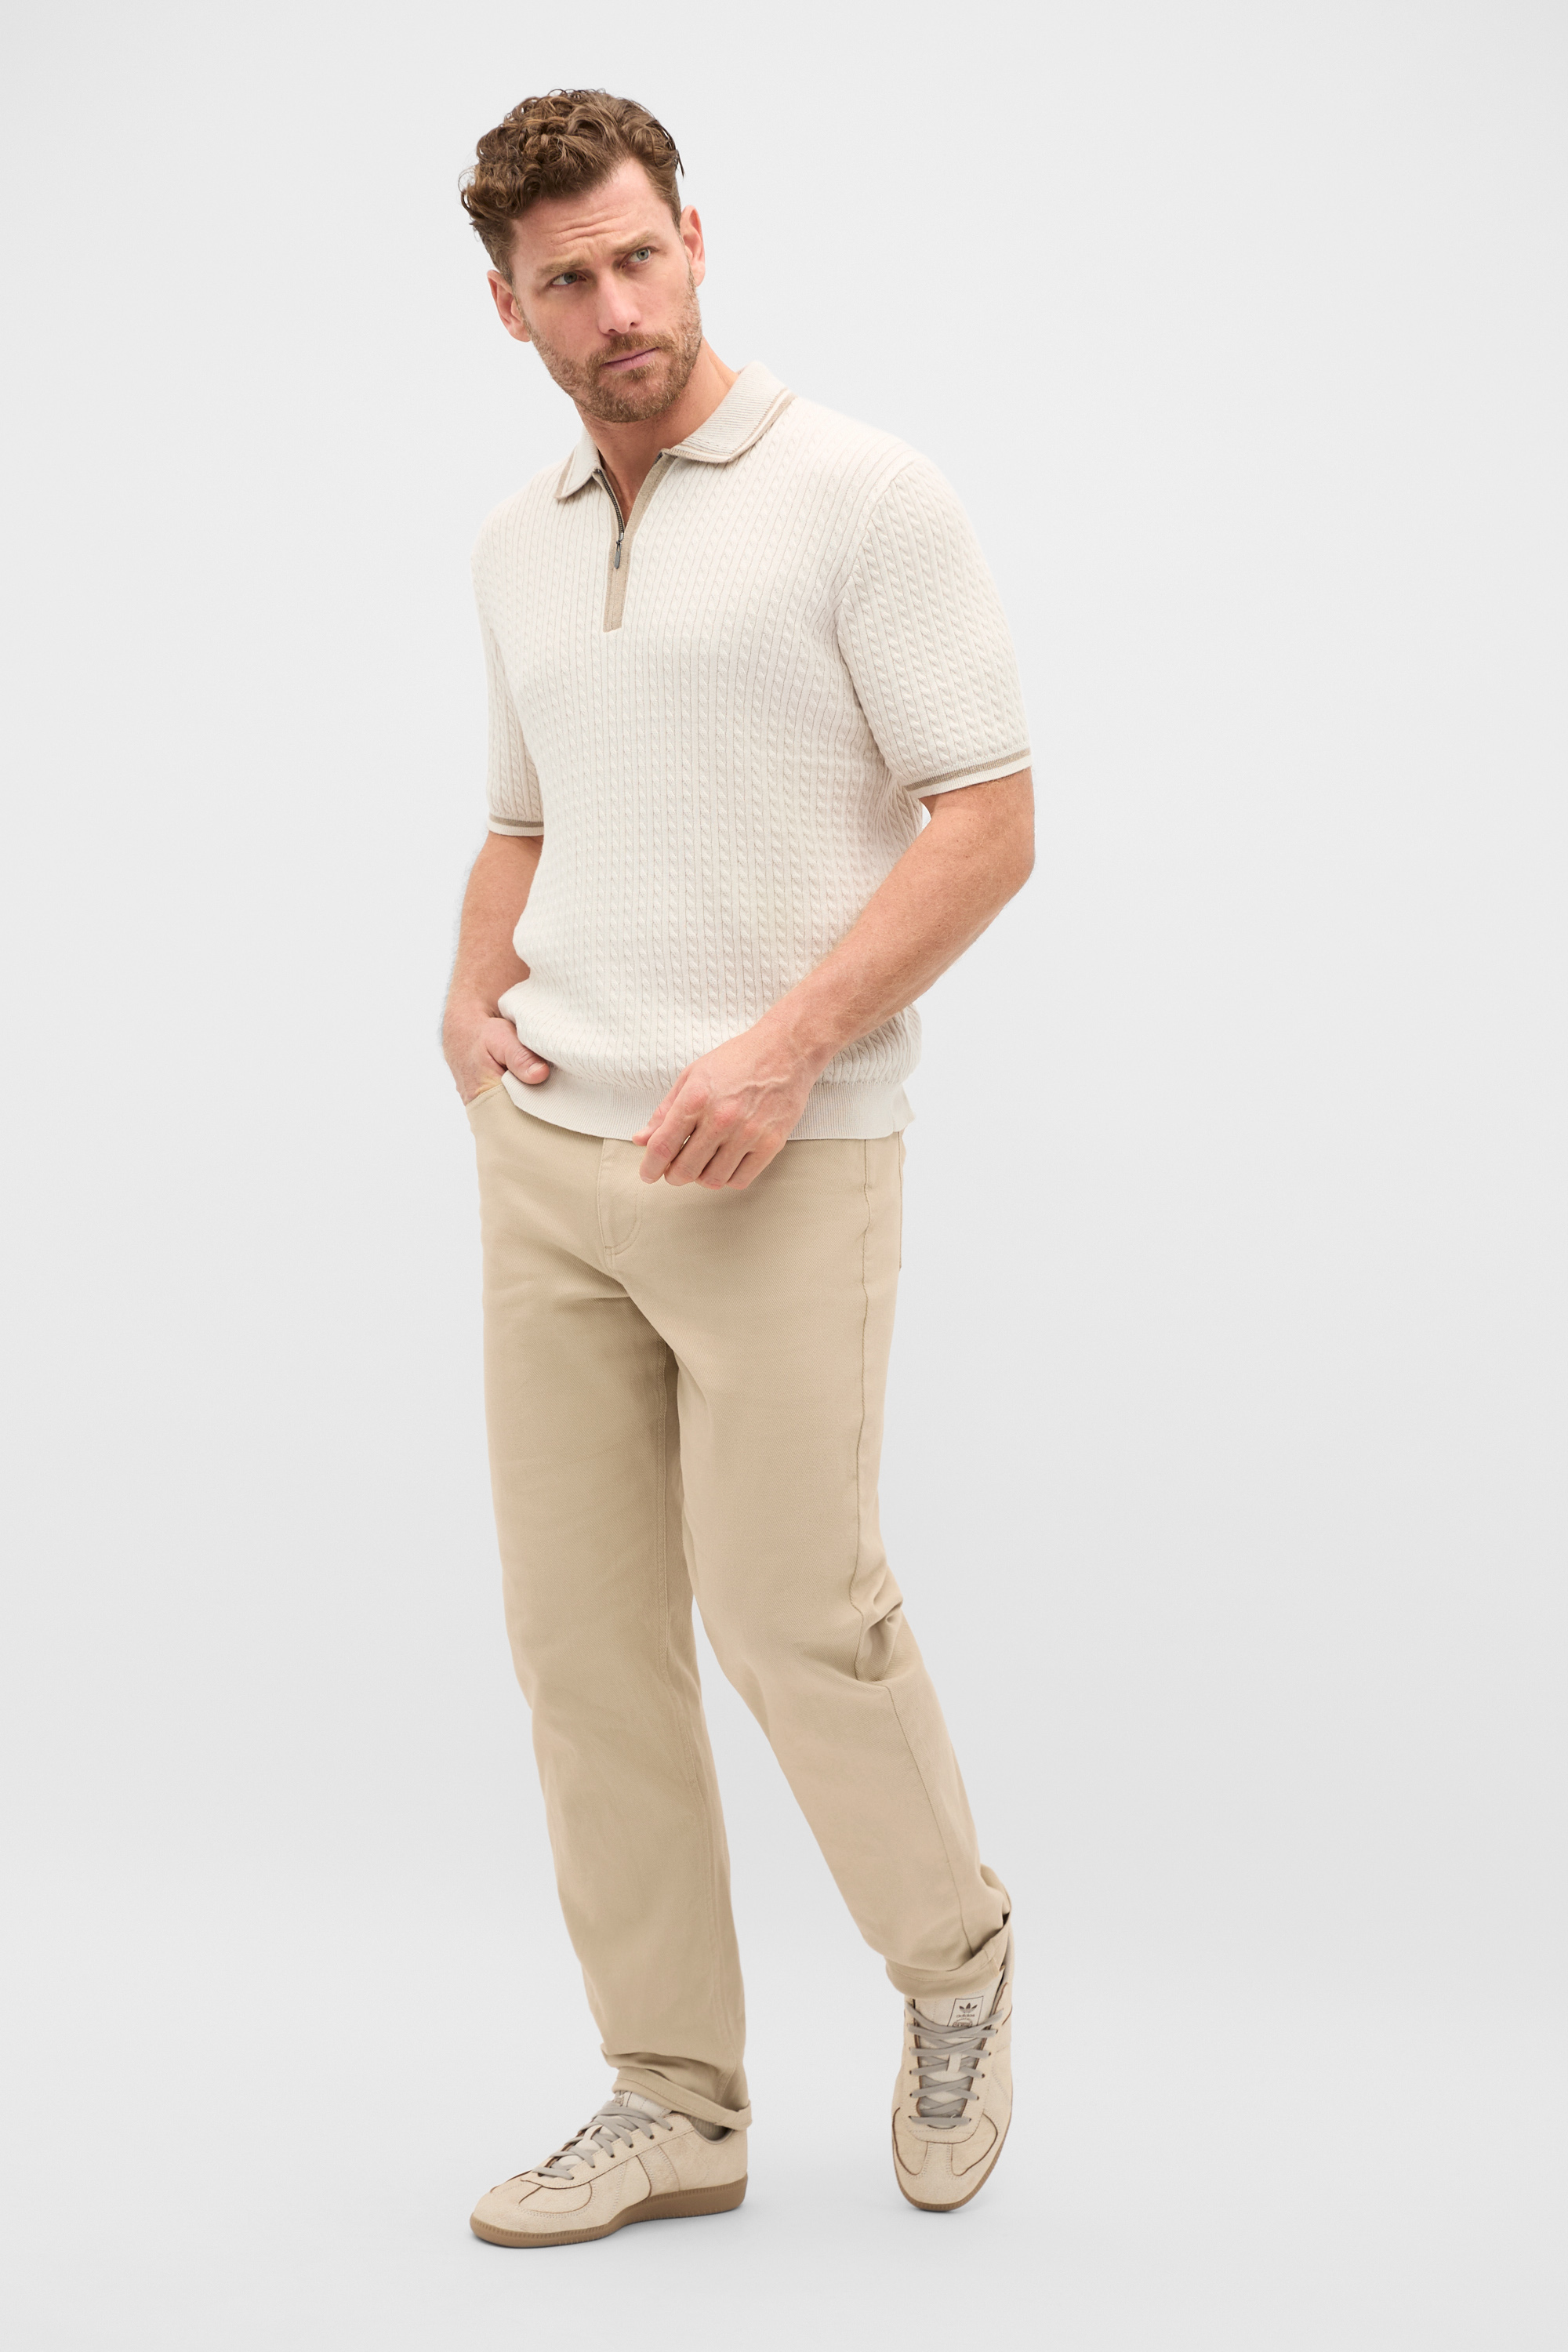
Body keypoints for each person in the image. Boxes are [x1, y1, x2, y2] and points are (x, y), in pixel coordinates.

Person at [445, 89, 1032, 2248]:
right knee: (584, 1648)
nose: (619, 309)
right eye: (568, 280)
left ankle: (954, 1964)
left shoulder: (863, 496)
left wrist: (786, 1052)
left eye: (641, 257)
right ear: (507, 306)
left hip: (781, 1162)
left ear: (697, 239)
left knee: (797, 1616)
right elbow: (524, 813)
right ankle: (672, 2098)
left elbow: (990, 820)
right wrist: (467, 992)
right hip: (548, 1161)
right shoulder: (516, 542)